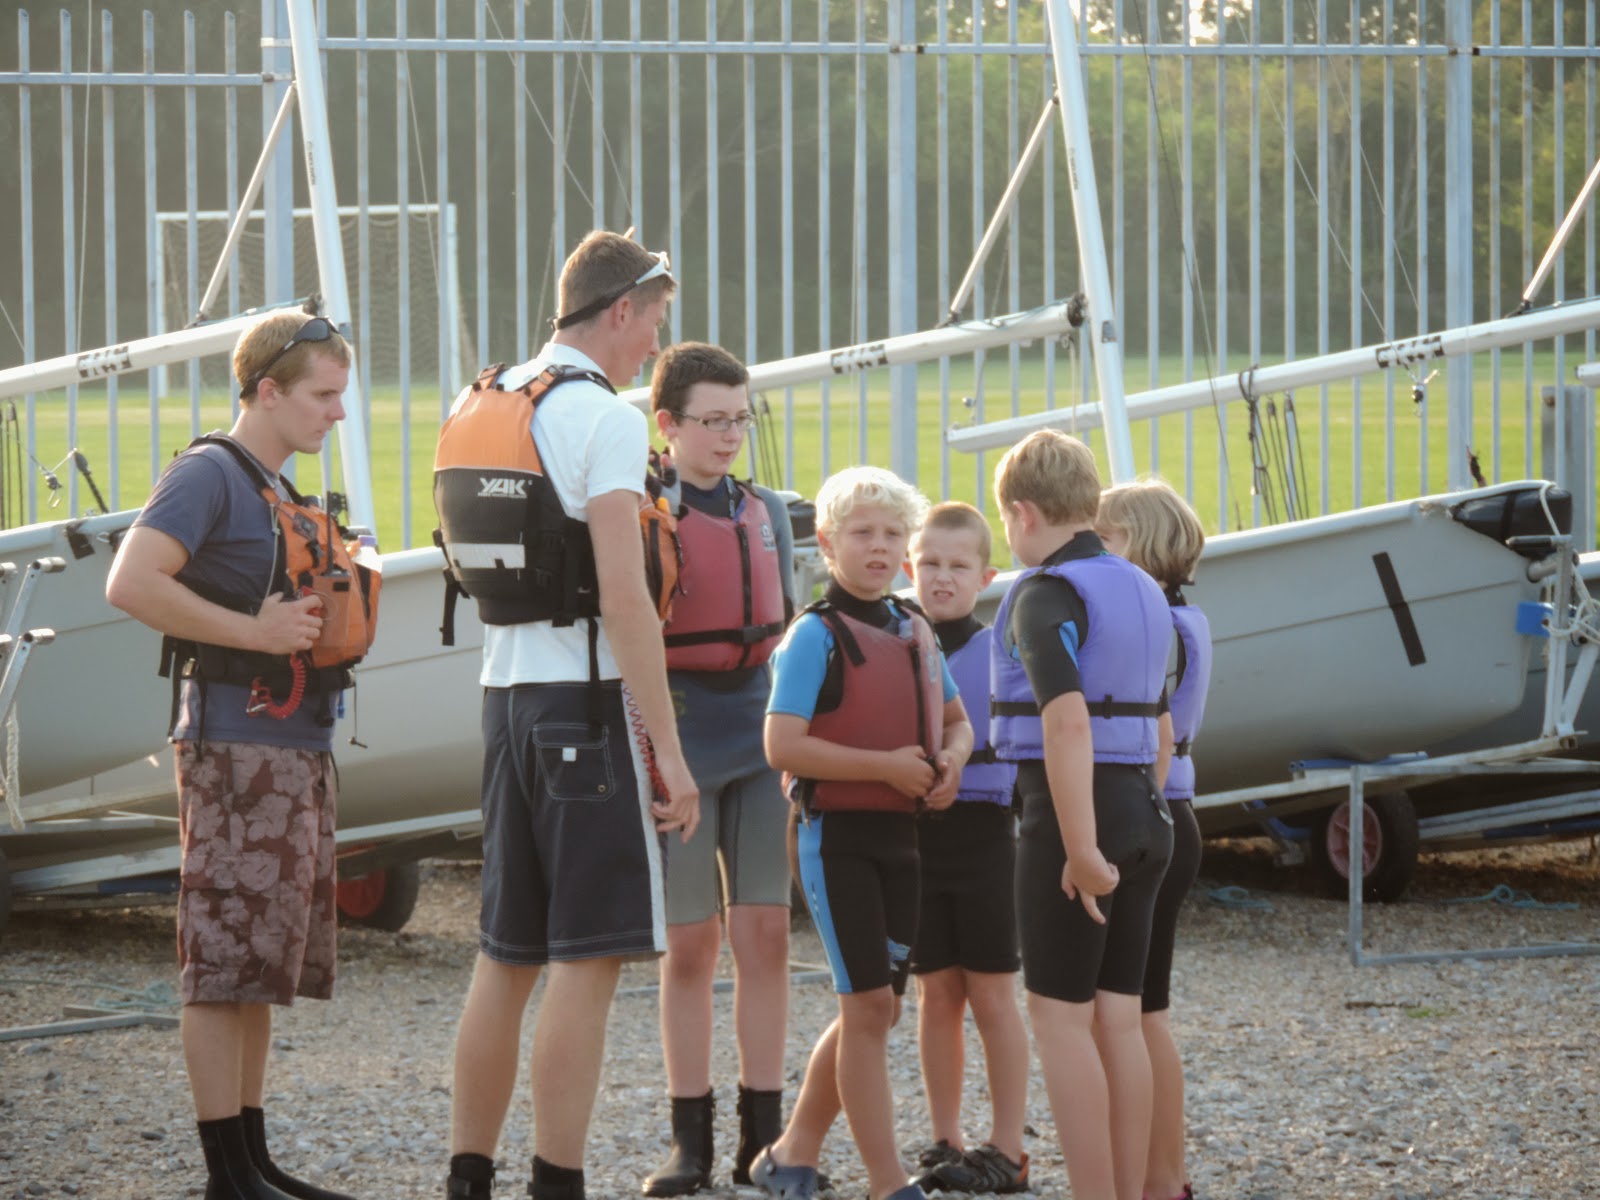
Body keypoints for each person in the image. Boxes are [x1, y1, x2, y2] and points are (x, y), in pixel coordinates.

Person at [436, 230, 700, 1200]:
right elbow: (626, 600)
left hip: (503, 699)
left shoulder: (487, 395)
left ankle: (468, 1179)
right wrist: (667, 749)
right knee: (587, 962)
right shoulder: (605, 416)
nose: (653, 346)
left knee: (505, 956)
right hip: (583, 705)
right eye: (654, 322)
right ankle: (559, 1184)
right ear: (619, 310)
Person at [106, 309, 370, 1200]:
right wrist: (252, 631)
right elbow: (130, 580)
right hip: (232, 749)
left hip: (293, 750)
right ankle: (227, 1173)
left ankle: (254, 1160)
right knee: (222, 962)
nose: (339, 413)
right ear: (267, 391)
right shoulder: (209, 475)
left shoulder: (277, 486)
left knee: (263, 961)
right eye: (323, 396)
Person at [748, 466, 974, 1200]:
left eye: (892, 535)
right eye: (863, 534)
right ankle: (886, 1182)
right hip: (834, 836)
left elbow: (957, 722)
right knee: (867, 1009)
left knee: (879, 1007)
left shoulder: (915, 630)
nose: (880, 548)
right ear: (827, 542)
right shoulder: (815, 634)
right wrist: (883, 766)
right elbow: (781, 746)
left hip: (902, 839)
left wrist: (953, 764)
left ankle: (792, 1153)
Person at [988, 430, 1175, 1200]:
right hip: (1148, 808)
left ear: (1024, 513)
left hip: (1077, 815)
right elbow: (1161, 729)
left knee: (1061, 1021)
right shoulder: (1141, 586)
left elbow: (1065, 722)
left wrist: (1079, 847)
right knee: (1119, 1021)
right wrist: (1138, 821)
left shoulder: (1045, 593)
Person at [640, 342, 797, 1196]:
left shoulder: (765, 508)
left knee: (765, 936)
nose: (731, 435)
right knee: (692, 945)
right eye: (713, 420)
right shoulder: (642, 512)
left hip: (760, 738)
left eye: (741, 418)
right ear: (666, 425)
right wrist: (662, 756)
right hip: (684, 740)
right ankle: (688, 1140)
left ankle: (762, 1138)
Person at [900, 503, 1030, 1196]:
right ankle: (944, 1137)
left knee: (991, 995)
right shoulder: (892, 640)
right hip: (914, 840)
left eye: (958, 567)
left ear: (986, 575)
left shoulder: (999, 651)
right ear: (907, 568)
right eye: (930, 564)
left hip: (983, 837)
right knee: (936, 993)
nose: (942, 578)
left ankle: (1007, 1147)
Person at [1095, 481, 1211, 1200]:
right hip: (1174, 811)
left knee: (1134, 1013)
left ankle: (1157, 1178)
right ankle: (1162, 1176)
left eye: (1102, 538)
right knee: (1145, 1011)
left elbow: (1157, 736)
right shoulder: (1185, 616)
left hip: (1150, 810)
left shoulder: (1154, 625)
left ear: (1134, 544)